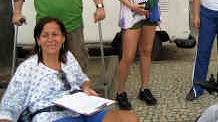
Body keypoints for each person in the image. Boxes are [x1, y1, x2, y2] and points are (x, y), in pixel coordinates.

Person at [0, 17, 139, 122]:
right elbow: (8, 108)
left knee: (130, 118)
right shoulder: (27, 68)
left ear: (63, 38)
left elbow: (83, 80)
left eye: (55, 34)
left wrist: (86, 88)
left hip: (82, 110)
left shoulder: (68, 57)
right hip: (51, 115)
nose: (50, 39)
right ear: (38, 40)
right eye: (45, 35)